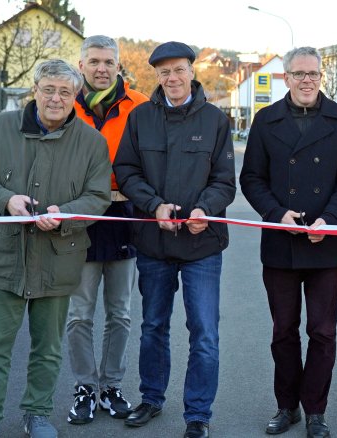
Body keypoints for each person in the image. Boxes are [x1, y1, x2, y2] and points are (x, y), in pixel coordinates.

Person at [0, 59, 111, 438]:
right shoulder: (0, 127)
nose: (56, 98)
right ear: (35, 90)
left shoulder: (92, 142)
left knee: (48, 348)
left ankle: (37, 413)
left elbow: (98, 196)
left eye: (64, 91)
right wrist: (7, 200)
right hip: (4, 258)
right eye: (48, 89)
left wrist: (67, 214)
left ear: (76, 95)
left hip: (59, 259)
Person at [113, 41, 236, 438]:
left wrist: (205, 209)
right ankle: (151, 397)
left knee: (204, 332)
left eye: (179, 69)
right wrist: (154, 207)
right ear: (157, 76)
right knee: (153, 326)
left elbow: (224, 181)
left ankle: (198, 413)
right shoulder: (140, 118)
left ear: (191, 71)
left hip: (203, 243)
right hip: (154, 242)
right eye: (164, 72)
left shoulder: (215, 120)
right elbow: (127, 171)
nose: (172, 78)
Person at [240, 46, 337, 438]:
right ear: (287, 78)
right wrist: (278, 214)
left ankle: (316, 410)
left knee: (323, 331)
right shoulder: (266, 120)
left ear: (321, 76)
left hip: (327, 242)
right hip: (281, 242)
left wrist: (331, 218)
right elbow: (252, 179)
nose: (306, 80)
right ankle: (286, 406)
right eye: (299, 74)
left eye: (313, 74)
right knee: (283, 330)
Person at [65, 34, 148, 425]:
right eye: (94, 61)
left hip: (123, 219)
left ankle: (111, 386)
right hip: (78, 221)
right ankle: (84, 386)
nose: (101, 69)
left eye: (108, 62)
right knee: (79, 314)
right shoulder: (65, 102)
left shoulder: (140, 105)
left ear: (119, 66)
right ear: (81, 65)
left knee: (120, 313)